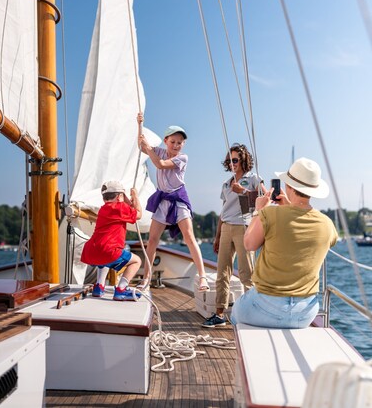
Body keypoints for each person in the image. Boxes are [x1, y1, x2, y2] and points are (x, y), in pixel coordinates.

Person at [231, 157, 339, 328]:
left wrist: (259, 211)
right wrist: (289, 208)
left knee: (235, 313)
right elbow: (301, 229)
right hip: (305, 312)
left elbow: (249, 244)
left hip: (264, 306)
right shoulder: (327, 224)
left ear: (288, 187)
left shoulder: (269, 214)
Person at [137, 112, 209, 291]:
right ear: (165, 140)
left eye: (180, 142)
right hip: (163, 199)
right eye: (173, 141)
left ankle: (203, 278)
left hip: (178, 199)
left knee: (190, 237)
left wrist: (149, 149)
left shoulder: (182, 158)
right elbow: (141, 145)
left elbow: (160, 164)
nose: (176, 145)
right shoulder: (159, 151)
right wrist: (140, 124)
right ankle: (146, 278)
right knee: (152, 240)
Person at [202, 143, 265, 328]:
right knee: (222, 273)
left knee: (247, 274)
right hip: (227, 228)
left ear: (244, 160)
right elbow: (223, 211)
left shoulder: (253, 178)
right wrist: (217, 235)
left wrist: (243, 191)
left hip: (244, 227)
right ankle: (220, 314)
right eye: (229, 161)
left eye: (235, 160)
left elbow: (264, 198)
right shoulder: (226, 184)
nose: (232, 163)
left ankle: (253, 314)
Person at [81, 180, 143, 301]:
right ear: (120, 196)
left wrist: (124, 200)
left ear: (104, 198)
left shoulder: (103, 209)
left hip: (92, 250)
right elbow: (139, 214)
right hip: (108, 251)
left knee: (104, 261)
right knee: (137, 261)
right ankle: (121, 290)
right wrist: (135, 197)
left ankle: (99, 286)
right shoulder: (120, 207)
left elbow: (127, 210)